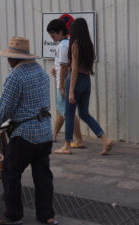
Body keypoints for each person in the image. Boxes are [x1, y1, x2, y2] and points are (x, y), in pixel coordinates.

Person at [0, 37, 58, 225]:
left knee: (10, 173)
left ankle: (13, 215)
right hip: (44, 133)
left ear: (16, 58)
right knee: (43, 176)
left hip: (24, 135)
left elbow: (5, 108)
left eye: (9, 57)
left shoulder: (15, 76)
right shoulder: (41, 72)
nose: (7, 60)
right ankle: (47, 216)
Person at [56, 18, 115, 155]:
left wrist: (70, 90)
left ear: (75, 30)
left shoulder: (75, 44)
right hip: (86, 80)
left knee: (69, 114)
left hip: (76, 81)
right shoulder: (89, 44)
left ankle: (67, 146)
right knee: (84, 113)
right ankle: (105, 140)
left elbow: (75, 69)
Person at [47, 19, 84, 152]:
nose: (51, 35)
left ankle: (78, 139)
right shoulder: (66, 44)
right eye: (50, 33)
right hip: (62, 81)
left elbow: (63, 67)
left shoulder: (63, 45)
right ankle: (53, 135)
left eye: (53, 33)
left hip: (62, 84)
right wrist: (56, 72)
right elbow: (63, 66)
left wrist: (61, 85)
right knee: (63, 111)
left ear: (61, 31)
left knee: (68, 112)